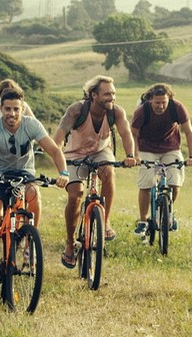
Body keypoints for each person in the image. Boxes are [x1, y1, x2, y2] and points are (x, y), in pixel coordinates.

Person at [0, 87, 69, 284]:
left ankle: (29, 247)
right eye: (7, 109)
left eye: (16, 109)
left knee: (34, 195)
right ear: (1, 109)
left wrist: (63, 173)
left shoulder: (31, 125)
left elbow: (54, 151)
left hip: (24, 174)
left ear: (22, 109)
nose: (12, 114)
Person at [52, 75, 136, 269]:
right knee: (76, 194)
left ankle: (105, 223)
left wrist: (130, 154)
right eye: (107, 94)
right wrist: (59, 163)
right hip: (74, 154)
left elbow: (126, 134)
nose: (111, 98)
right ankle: (70, 243)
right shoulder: (76, 110)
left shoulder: (116, 112)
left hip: (100, 151)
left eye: (113, 93)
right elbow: (58, 136)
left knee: (108, 171)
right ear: (93, 95)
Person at [130, 83, 192, 237]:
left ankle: (169, 212)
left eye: (163, 103)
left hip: (170, 148)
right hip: (147, 148)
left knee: (175, 181)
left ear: (169, 99)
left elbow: (188, 132)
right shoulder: (142, 111)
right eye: (157, 103)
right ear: (150, 100)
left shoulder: (177, 108)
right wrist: (135, 155)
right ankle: (142, 221)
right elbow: (132, 133)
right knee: (146, 183)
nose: (160, 106)